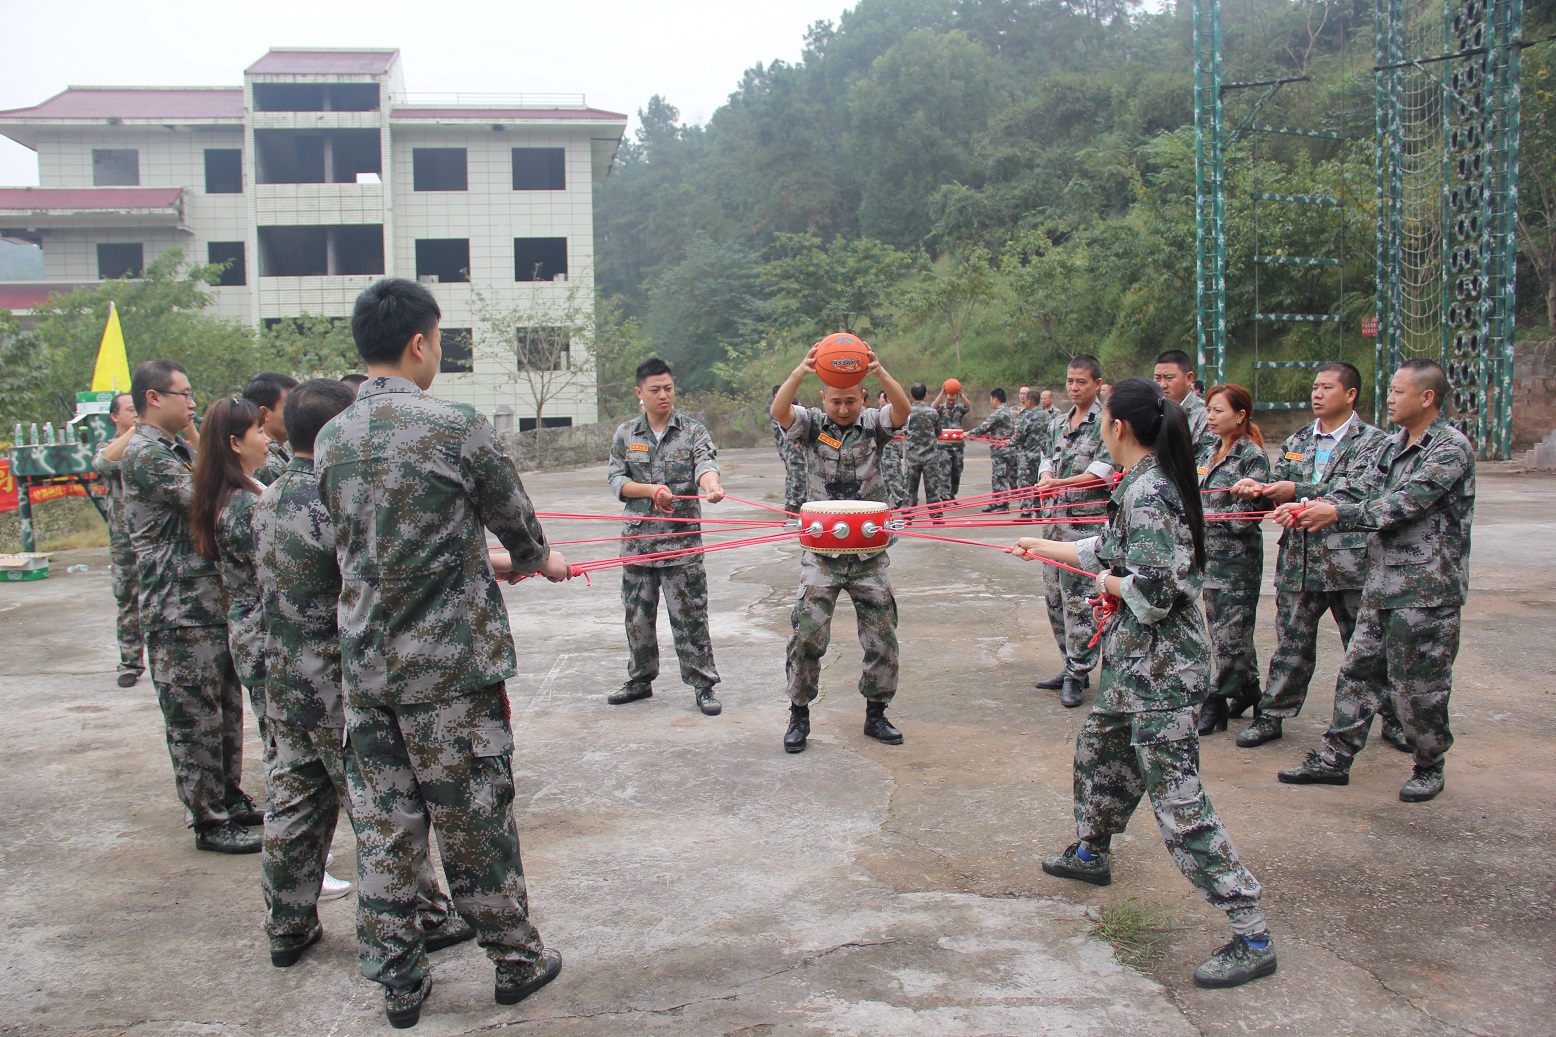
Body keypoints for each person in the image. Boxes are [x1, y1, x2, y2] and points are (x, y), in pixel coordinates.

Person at [315, 278, 572, 1027]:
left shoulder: (331, 438)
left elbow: (346, 547)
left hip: (367, 668)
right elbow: (520, 533)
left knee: (387, 825)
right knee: (475, 817)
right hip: (451, 671)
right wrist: (537, 559)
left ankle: (399, 979)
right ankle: (516, 959)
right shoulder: (454, 427)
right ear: (420, 343)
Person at [1009, 376, 1276, 990]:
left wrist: (1101, 582)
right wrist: (1044, 547)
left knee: (1179, 804)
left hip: (1161, 671)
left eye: (1103, 416)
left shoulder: (1150, 492)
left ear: (1117, 428)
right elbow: (1110, 547)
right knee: (1100, 749)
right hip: (1135, 666)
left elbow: (1153, 595)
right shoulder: (1142, 484)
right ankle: (1092, 850)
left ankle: (1250, 928)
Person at [254, 379, 471, 969]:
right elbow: (382, 574)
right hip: (338, 685)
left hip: (285, 679)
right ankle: (421, 918)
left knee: (293, 806)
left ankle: (287, 926)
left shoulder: (269, 498)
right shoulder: (333, 497)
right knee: (382, 814)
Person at [1275, 359, 1475, 804]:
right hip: (1381, 583)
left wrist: (1336, 513)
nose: (1389, 398)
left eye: (1398, 391)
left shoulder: (1449, 449)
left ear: (1426, 398)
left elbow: (1401, 504)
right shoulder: (1392, 445)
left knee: (1419, 685)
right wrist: (1306, 505)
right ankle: (1335, 757)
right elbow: (1357, 488)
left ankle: (1429, 763)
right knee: (1357, 673)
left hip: (1427, 591)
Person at [119, 360, 260, 853]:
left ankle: (229, 796)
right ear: (154, 398)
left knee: (223, 708)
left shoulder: (178, 447)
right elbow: (206, 498)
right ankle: (208, 818)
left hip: (208, 603)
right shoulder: (145, 454)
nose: (192, 403)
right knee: (191, 717)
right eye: (184, 394)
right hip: (177, 609)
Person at [1231, 363, 1398, 749]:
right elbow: (1283, 486)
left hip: (1349, 563)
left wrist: (1297, 488)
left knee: (1365, 646)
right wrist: (1265, 490)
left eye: (1326, 387)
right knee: (1290, 644)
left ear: (1350, 394)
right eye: (1315, 387)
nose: (1317, 394)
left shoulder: (1374, 442)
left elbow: (1359, 490)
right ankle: (1271, 716)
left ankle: (1393, 719)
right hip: (1300, 558)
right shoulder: (1299, 439)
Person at [770, 343, 912, 754]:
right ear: (823, 398)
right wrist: (800, 370)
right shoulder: (812, 425)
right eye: (836, 401)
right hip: (822, 555)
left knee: (882, 636)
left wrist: (881, 369)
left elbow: (902, 412)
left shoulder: (874, 425)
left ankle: (876, 714)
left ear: (863, 397)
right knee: (807, 635)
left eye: (851, 400)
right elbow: (781, 413)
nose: (844, 409)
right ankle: (799, 715)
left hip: (869, 554)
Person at [606, 358, 726, 716]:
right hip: (639, 544)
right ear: (639, 392)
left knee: (690, 616)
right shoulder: (626, 434)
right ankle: (640, 680)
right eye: (655, 389)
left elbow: (706, 464)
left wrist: (712, 485)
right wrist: (650, 490)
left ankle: (703, 684)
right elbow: (616, 480)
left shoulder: (692, 431)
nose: (663, 395)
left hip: (682, 545)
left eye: (668, 388)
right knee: (637, 618)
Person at [1034, 356, 1116, 706]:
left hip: (1085, 528)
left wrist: (1060, 482)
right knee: (1054, 599)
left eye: (1081, 382)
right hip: (1054, 525)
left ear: (1097, 384)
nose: (1073, 387)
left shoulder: (1107, 423)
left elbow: (1102, 472)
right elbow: (1046, 458)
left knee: (1080, 602)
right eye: (1070, 381)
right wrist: (1045, 478)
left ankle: (1078, 671)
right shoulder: (1057, 422)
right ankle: (1069, 663)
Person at [1195, 384, 1270, 735]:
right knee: (1226, 634)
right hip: (1209, 559)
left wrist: (1214, 510)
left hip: (1237, 562)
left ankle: (1216, 701)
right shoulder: (1210, 451)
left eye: (1218, 411)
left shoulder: (1251, 457)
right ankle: (1252, 691)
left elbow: (1244, 521)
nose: (1210, 416)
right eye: (1209, 410)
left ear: (1240, 415)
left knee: (1230, 635)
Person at [93, 392, 146, 688]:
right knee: (128, 599)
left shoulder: (149, 447)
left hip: (153, 536)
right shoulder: (111, 447)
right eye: (129, 410)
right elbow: (103, 463)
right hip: (125, 539)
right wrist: (135, 430)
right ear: (115, 416)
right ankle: (130, 662)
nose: (136, 415)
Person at [1153, 350, 1217, 461]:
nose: (1162, 385)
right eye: (1158, 378)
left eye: (1169, 378)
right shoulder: (1151, 411)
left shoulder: (1206, 415)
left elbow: (1207, 461)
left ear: (1189, 378)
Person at [244, 372, 298, 485]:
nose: (298, 413)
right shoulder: (268, 466)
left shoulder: (282, 450)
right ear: (264, 413)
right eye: (291, 407)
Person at [900, 382, 946, 516]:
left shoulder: (906, 412)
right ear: (926, 395)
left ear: (911, 395)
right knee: (933, 488)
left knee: (910, 488)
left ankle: (908, 515)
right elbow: (938, 433)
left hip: (912, 456)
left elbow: (903, 430)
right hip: (930, 457)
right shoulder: (933, 413)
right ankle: (936, 516)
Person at [968, 388, 1016, 512]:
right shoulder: (1010, 411)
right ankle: (997, 502)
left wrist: (969, 434)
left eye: (991, 400)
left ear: (995, 399)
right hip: (1008, 449)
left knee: (999, 477)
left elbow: (984, 427)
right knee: (999, 477)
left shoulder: (999, 412)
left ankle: (1001, 505)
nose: (991, 402)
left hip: (1001, 450)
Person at [1009, 387, 1050, 520]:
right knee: (1039, 484)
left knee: (1025, 484)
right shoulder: (1047, 415)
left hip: (1027, 456)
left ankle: (1026, 512)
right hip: (1043, 457)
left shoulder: (1028, 416)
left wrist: (1008, 443)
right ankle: (1038, 512)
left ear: (1029, 402)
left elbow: (1020, 435)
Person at [769, 384, 807, 517]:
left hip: (793, 452)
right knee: (795, 478)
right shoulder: (777, 413)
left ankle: (793, 507)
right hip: (790, 452)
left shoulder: (796, 411)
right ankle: (793, 508)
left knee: (796, 478)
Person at [934, 382, 971, 497]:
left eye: (953, 400)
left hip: (958, 447)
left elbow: (968, 406)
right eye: (949, 399)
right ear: (945, 398)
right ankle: (945, 496)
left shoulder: (959, 409)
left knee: (957, 472)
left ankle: (952, 494)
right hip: (943, 447)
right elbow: (933, 407)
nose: (951, 402)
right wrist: (942, 392)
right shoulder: (940, 409)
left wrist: (961, 394)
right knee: (945, 471)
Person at [878, 389, 908, 508]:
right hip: (888, 450)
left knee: (889, 476)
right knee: (892, 475)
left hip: (895, 450)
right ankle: (899, 500)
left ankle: (889, 500)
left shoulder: (899, 414)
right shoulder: (884, 414)